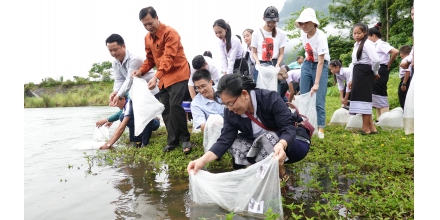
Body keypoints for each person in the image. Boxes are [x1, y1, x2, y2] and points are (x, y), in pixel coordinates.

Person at [186, 74, 311, 183]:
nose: (229, 109)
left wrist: (281, 144)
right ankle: (256, 173)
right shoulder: (231, 113)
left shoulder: (269, 98)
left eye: (231, 103)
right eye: (226, 105)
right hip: (267, 147)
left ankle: (282, 175)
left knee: (268, 137)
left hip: (293, 144)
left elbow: (288, 128)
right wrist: (201, 161)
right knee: (234, 142)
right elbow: (224, 140)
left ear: (244, 94)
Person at [131, 6, 192, 154]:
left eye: (150, 23)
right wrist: (141, 71)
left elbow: (168, 58)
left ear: (157, 17)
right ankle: (173, 141)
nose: (148, 27)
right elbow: (150, 59)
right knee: (166, 108)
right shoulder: (147, 38)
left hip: (178, 73)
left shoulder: (170, 33)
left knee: (176, 105)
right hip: (163, 77)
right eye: (144, 25)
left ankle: (185, 139)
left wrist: (156, 76)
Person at [295, 8, 331, 139]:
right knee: (304, 96)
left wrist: (316, 83)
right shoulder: (302, 33)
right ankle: (304, 125)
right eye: (301, 23)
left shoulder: (320, 37)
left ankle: (320, 128)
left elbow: (321, 62)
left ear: (313, 23)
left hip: (320, 65)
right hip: (307, 63)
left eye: (306, 23)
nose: (303, 26)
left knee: (318, 98)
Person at [105, 33, 158, 106]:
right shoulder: (115, 63)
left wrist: (118, 95)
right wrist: (116, 92)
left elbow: (130, 79)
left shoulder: (134, 59)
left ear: (123, 46)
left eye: (115, 49)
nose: (113, 53)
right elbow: (119, 79)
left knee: (153, 115)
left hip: (153, 90)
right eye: (110, 51)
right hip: (139, 93)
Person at [348, 23, 380, 135]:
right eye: (354, 33)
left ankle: (365, 128)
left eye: (359, 33)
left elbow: (376, 60)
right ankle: (372, 127)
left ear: (365, 32)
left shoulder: (368, 44)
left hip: (365, 73)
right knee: (360, 99)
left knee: (364, 100)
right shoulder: (356, 45)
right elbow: (353, 63)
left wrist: (375, 72)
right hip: (358, 72)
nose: (356, 35)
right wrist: (351, 79)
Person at [251, 6, 288, 100]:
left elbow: (281, 53)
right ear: (264, 19)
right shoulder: (256, 33)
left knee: (275, 95)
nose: (271, 24)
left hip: (274, 64)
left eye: (274, 22)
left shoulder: (281, 34)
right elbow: (254, 52)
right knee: (261, 95)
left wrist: (278, 64)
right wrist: (257, 62)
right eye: (269, 21)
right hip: (261, 65)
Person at [368, 23, 399, 119]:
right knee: (376, 93)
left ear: (373, 36)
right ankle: (379, 119)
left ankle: (386, 118)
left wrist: (389, 63)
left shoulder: (381, 44)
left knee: (381, 92)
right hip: (377, 69)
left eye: (368, 37)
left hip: (382, 68)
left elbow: (395, 51)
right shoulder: (374, 45)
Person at [190, 69, 225, 152]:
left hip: (234, 124)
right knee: (215, 119)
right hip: (216, 130)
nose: (201, 90)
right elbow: (203, 126)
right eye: (197, 88)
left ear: (211, 82)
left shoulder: (223, 90)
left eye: (203, 86)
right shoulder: (196, 103)